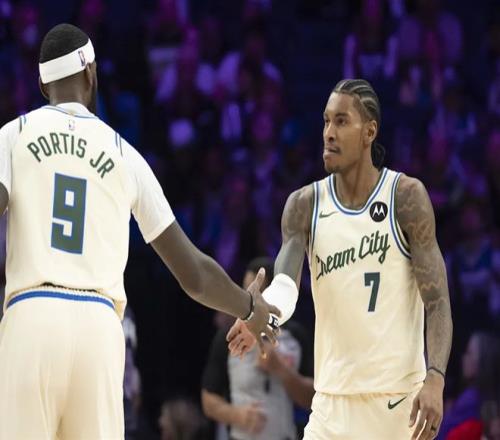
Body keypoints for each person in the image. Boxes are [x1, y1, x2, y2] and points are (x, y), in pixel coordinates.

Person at [0, 23, 280, 440]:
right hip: (99, 327)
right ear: (91, 74)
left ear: (43, 86)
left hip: (31, 317)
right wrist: (249, 306)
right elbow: (193, 273)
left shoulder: (13, 135)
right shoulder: (123, 153)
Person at [227, 78, 453, 439]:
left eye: (342, 121)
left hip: (398, 404)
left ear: (369, 132)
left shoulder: (405, 197)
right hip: (331, 406)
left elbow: (437, 301)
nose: (329, 133)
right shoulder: (304, 205)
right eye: (326, 121)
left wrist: (436, 378)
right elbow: (285, 284)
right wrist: (264, 311)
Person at [201, 257, 314, 440]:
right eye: (246, 290)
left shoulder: (295, 337)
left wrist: (282, 370)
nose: (249, 297)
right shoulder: (229, 336)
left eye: (256, 291)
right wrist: (237, 415)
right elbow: (208, 399)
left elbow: (314, 398)